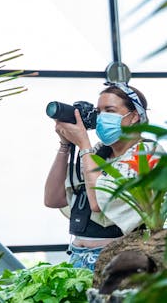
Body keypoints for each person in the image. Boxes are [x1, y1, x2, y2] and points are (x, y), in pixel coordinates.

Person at [43, 82, 160, 270]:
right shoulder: (98, 154)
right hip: (77, 257)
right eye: (99, 111)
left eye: (110, 110)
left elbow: (98, 203)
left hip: (120, 261)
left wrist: (83, 144)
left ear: (134, 117)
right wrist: (65, 146)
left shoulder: (146, 153)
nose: (102, 117)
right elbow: (53, 199)